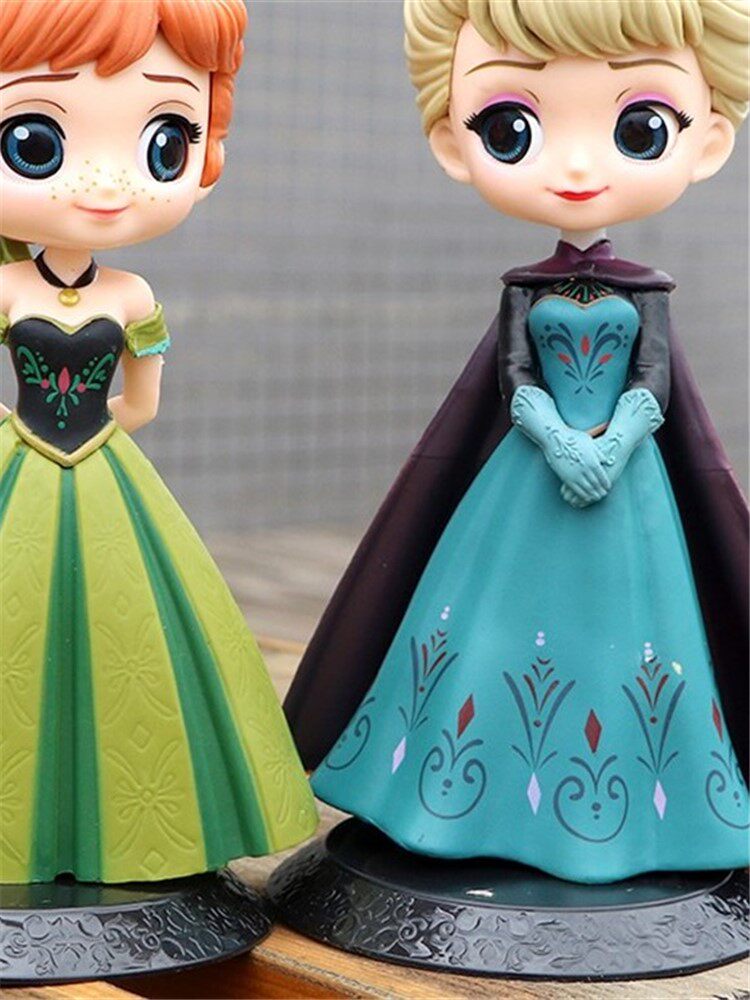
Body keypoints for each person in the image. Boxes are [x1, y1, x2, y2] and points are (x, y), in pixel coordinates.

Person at [285, 0, 749, 883]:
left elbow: (655, 380)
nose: (576, 165)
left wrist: (611, 444)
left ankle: (641, 820)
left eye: (640, 128)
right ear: (452, 140)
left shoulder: (647, 292)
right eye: (512, 127)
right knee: (488, 632)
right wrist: (555, 437)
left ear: (710, 139)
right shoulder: (524, 290)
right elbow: (514, 374)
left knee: (634, 643)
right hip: (530, 472)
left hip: (627, 478)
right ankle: (455, 798)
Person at [0, 0, 317, 885]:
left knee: (131, 638)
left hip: (101, 466)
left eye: (162, 144)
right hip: (30, 454)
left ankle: (131, 827)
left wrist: (90, 445)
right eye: (37, 142)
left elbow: (142, 400)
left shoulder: (133, 296)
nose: (105, 183)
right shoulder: (9, 289)